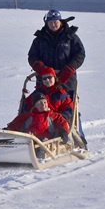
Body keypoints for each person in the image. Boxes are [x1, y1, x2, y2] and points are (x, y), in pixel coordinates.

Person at [28, 8, 85, 141]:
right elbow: (32, 56)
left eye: (56, 22)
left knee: (69, 106)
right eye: (50, 22)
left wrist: (70, 68)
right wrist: (41, 68)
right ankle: (39, 132)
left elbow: (80, 54)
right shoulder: (39, 39)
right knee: (40, 105)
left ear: (60, 21)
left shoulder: (71, 37)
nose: (53, 25)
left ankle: (77, 136)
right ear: (46, 23)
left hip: (66, 79)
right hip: (44, 79)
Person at [7, 87, 72, 145]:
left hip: (47, 142)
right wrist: (7, 130)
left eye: (44, 102)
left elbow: (63, 124)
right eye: (39, 103)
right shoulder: (27, 116)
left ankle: (40, 157)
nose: (43, 105)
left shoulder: (54, 116)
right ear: (35, 106)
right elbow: (14, 125)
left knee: (42, 143)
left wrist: (63, 132)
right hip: (28, 140)